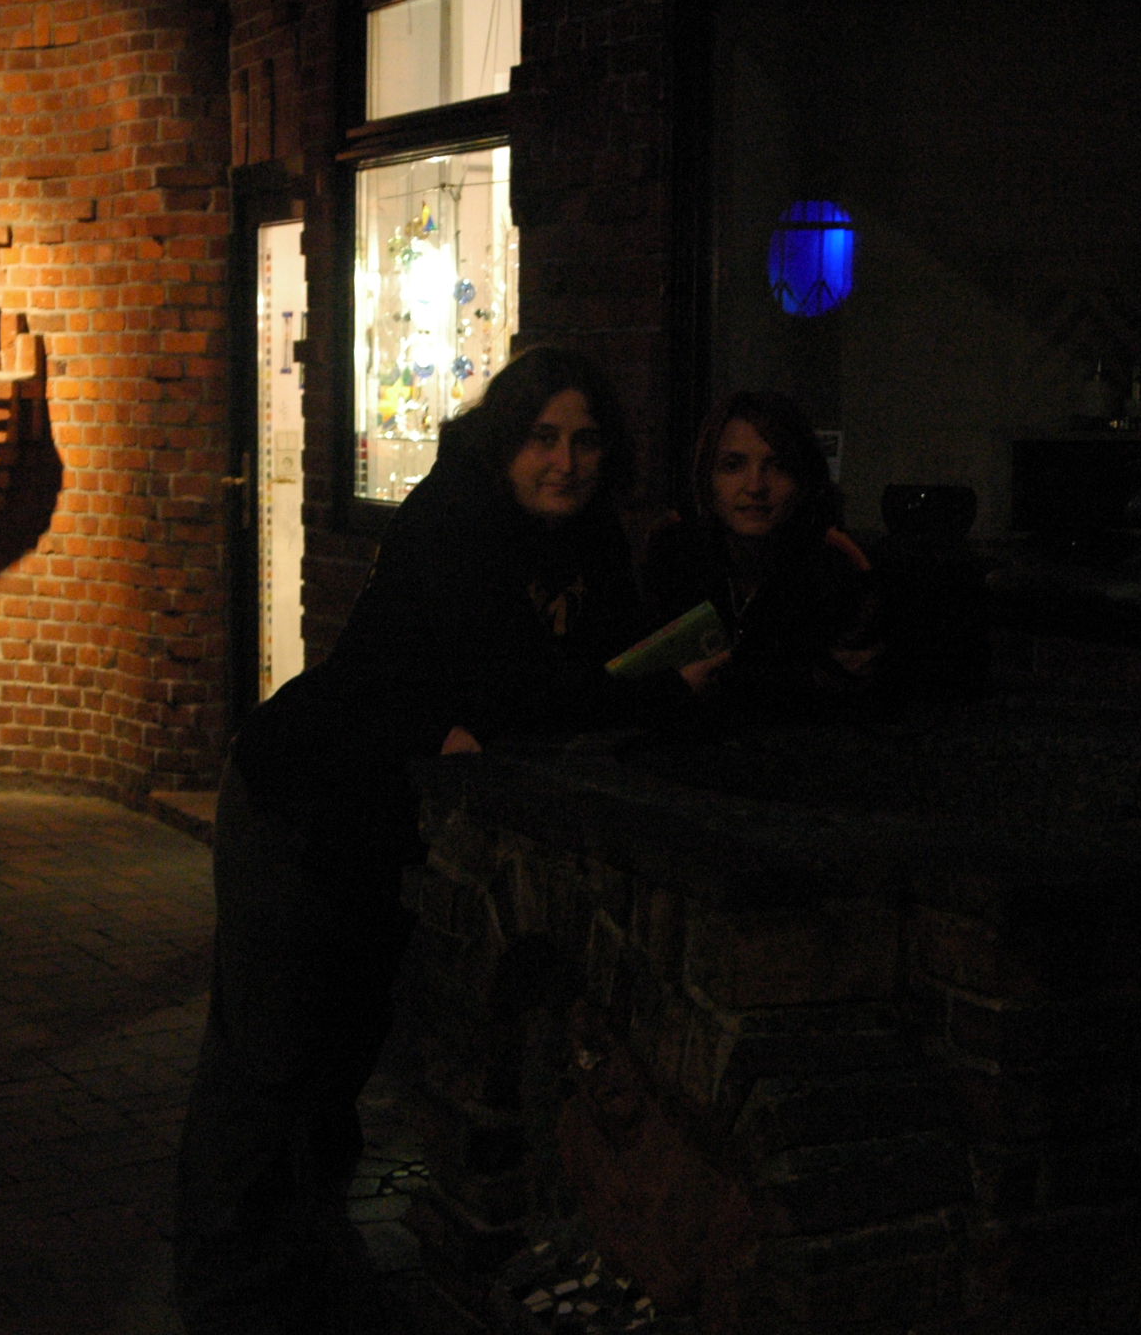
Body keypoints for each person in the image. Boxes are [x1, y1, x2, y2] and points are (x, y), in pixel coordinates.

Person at [173, 345, 701, 1335]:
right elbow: (507, 687)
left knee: (339, 1056)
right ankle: (221, 1292)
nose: (565, 462)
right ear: (503, 442)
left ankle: (305, 1273)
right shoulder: (452, 520)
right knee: (266, 1058)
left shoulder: (588, 539)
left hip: (385, 825)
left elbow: (595, 668)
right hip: (299, 802)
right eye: (542, 438)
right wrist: (640, 688)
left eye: (586, 441)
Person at [639, 390, 881, 723]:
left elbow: (842, 696)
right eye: (733, 465)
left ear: (803, 478)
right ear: (706, 476)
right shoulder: (674, 553)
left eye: (778, 466)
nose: (755, 486)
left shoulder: (837, 567)